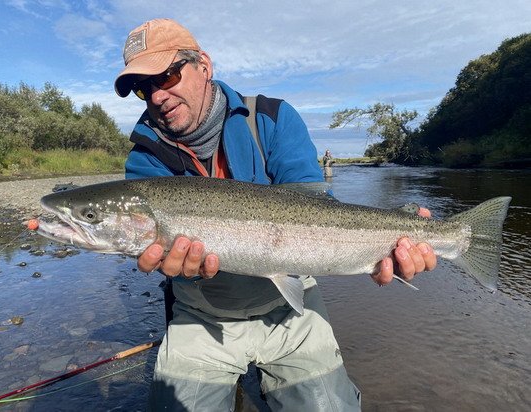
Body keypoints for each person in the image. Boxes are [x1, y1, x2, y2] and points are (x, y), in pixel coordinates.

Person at [114, 18, 437, 411]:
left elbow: (321, 213)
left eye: (166, 76)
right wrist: (168, 263)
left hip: (289, 308)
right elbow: (153, 253)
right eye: (142, 88)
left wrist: (384, 246)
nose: (156, 96)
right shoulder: (144, 159)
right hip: (202, 313)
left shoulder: (272, 118)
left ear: (204, 65)